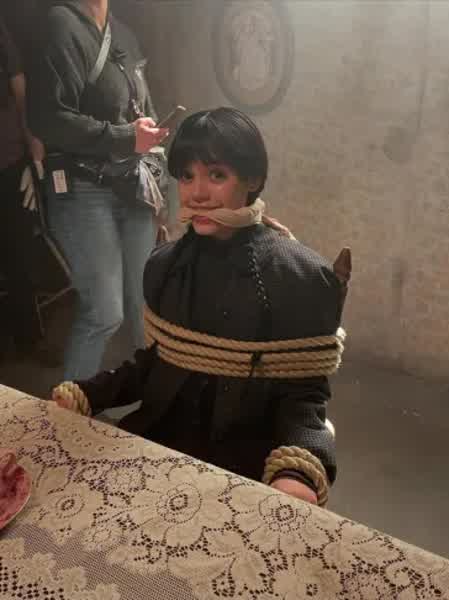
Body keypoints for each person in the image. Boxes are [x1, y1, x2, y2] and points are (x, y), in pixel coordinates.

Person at [53, 107, 348, 505]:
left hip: (246, 463)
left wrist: (298, 468)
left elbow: (304, 394)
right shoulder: (164, 266)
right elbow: (155, 364)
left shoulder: (300, 278)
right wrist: (88, 394)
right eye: (187, 176)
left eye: (217, 175)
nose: (197, 193)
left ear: (253, 179)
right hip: (159, 443)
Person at [27, 0, 169, 381]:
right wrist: (125, 136)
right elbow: (47, 118)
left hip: (133, 185)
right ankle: (69, 407)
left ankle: (147, 402)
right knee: (105, 312)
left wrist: (159, 179)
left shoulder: (124, 35)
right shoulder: (60, 25)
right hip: (82, 187)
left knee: (143, 308)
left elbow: (144, 110)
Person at [0, 16, 55, 364]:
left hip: (7, 160)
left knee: (18, 253)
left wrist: (31, 139)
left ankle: (29, 339)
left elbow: (17, 81)